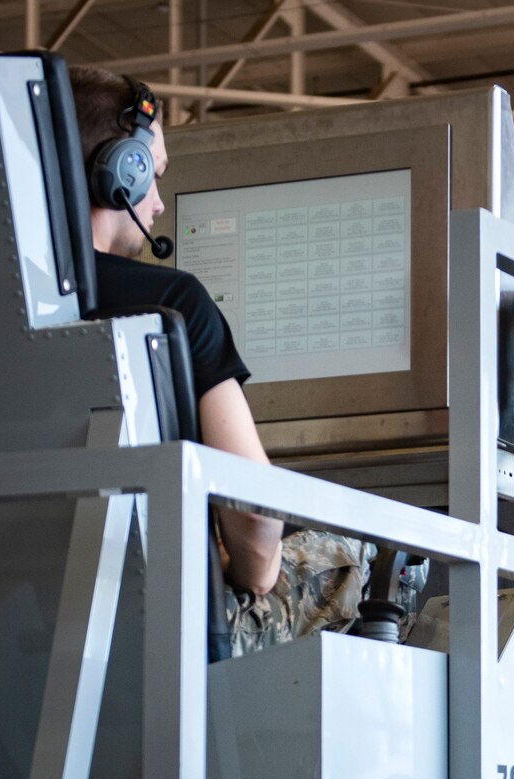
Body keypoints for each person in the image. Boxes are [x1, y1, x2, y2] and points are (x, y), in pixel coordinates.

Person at [67, 63, 409, 654]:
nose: (157, 206)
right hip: (157, 629)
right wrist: (246, 565)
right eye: (151, 176)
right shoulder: (171, 302)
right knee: (349, 559)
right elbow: (253, 513)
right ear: (120, 171)